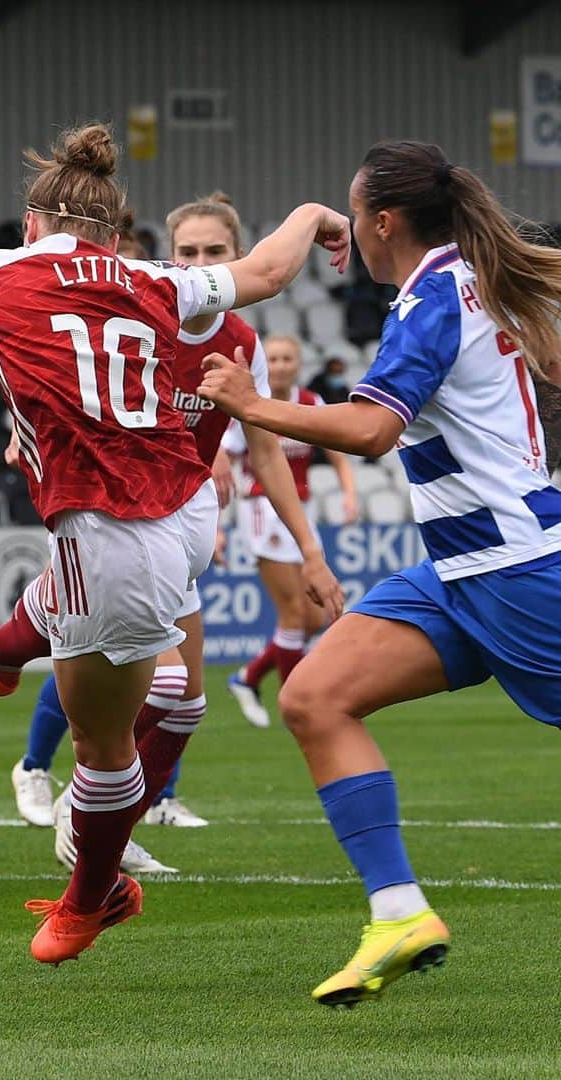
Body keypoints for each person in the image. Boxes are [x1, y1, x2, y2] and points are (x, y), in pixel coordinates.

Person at [0, 121, 351, 965]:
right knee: (135, 695)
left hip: (110, 534)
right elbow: (271, 272)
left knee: (104, 745)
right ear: (112, 232)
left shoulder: (3, 273)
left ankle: (94, 898)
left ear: (32, 224)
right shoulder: (154, 278)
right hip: (177, 513)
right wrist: (314, 211)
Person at [199, 139, 561, 1006]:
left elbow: (369, 431)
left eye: (355, 214)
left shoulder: (434, 297)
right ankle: (398, 913)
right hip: (464, 572)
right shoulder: (471, 279)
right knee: (314, 696)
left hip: (518, 572)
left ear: (383, 221)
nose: (352, 230)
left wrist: (252, 403)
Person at [13, 195, 343, 847]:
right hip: (113, 514)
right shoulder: (138, 315)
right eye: (187, 251)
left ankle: (107, 823)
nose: (198, 262)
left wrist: (311, 550)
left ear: (235, 256)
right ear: (170, 255)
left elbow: (268, 450)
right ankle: (62, 791)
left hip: (179, 519)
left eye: (214, 252)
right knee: (146, 678)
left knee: (184, 702)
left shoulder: (241, 341)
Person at [225, 333, 357, 728]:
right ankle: (298, 707)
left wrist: (349, 493)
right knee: (294, 615)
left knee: (314, 618)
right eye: (275, 358)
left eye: (288, 359)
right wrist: (215, 522)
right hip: (263, 509)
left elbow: (336, 452)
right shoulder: (250, 404)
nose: (281, 365)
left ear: (298, 364)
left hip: (302, 509)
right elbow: (223, 455)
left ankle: (247, 678)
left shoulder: (310, 403)